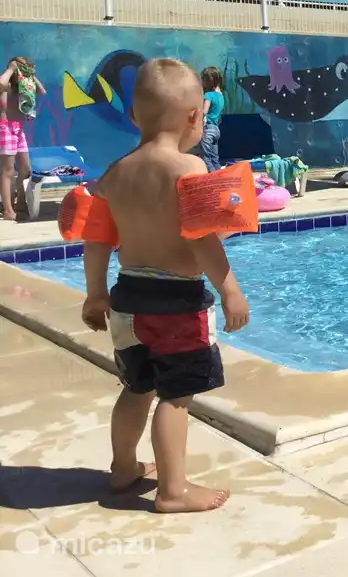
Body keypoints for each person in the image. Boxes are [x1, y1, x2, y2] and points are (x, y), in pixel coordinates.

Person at [78, 58, 249, 514]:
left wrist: (95, 293)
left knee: (137, 387)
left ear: (134, 117)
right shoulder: (189, 169)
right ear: (197, 117)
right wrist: (230, 289)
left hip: (127, 296)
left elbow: (96, 241)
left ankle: (122, 468)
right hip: (176, 301)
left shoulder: (115, 172)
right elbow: (204, 242)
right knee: (175, 397)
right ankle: (173, 491)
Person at [0, 57, 46, 221]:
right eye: (22, 66)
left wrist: (31, 75)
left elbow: (42, 91)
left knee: (25, 168)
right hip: (5, 128)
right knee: (8, 171)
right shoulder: (6, 86)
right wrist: (11, 69)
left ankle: (20, 202)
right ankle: (8, 209)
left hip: (19, 130)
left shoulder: (25, 86)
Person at [199, 66, 225, 172]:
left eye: (203, 80)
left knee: (206, 158)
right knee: (215, 158)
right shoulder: (221, 96)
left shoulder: (208, 95)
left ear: (209, 80)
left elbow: (204, 112)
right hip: (216, 130)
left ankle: (212, 179)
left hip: (208, 129)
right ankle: (220, 177)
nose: (202, 83)